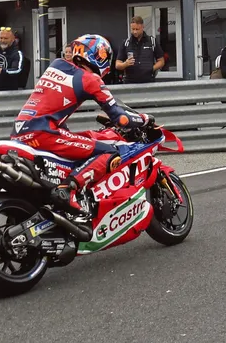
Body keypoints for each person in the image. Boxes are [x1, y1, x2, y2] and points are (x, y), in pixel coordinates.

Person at [10, 34, 154, 216]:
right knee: (110, 152)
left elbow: (50, 104)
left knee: (79, 142)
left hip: (19, 132)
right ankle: (67, 190)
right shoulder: (91, 79)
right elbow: (121, 119)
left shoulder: (56, 65)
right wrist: (144, 119)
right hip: (44, 132)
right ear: (98, 56)